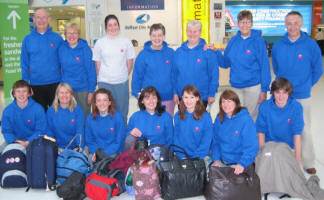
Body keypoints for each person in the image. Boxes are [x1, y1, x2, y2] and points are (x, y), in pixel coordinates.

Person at [271, 11, 323, 174]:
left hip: (302, 95)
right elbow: (277, 69)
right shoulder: (278, 46)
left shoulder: (311, 45)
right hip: (282, 96)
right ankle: (285, 158)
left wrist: (307, 85)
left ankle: (308, 161)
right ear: (285, 25)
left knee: (304, 127)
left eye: (295, 23)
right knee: (283, 127)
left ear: (301, 24)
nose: (292, 26)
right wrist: (282, 90)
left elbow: (318, 69)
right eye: (289, 23)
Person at [214, 10, 271, 121]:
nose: (244, 25)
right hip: (236, 86)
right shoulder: (233, 41)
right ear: (238, 24)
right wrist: (216, 52)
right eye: (242, 22)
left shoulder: (258, 41)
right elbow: (225, 63)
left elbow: (265, 67)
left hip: (253, 87)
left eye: (247, 22)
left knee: (251, 117)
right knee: (235, 115)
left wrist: (264, 90)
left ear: (251, 24)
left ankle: (250, 138)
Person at [93, 15, 135, 123]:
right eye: (110, 25)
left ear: (119, 26)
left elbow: (130, 62)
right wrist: (106, 75)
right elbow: (98, 64)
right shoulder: (100, 43)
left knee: (122, 112)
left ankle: (121, 137)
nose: (113, 27)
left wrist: (123, 74)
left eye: (115, 24)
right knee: (104, 111)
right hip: (105, 82)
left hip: (121, 83)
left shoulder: (126, 42)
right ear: (106, 27)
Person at [21, 8, 63, 111]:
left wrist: (63, 83)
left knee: (56, 114)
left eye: (44, 17)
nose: (41, 20)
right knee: (39, 116)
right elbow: (24, 63)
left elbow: (63, 61)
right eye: (38, 18)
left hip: (55, 84)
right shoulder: (27, 39)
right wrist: (26, 84)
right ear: (33, 20)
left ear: (48, 19)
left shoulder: (57, 38)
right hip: (35, 85)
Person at [173, 20, 219, 108]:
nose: (192, 34)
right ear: (186, 32)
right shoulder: (178, 52)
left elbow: (214, 74)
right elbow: (174, 75)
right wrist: (175, 92)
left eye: (195, 31)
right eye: (190, 31)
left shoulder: (208, 52)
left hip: (202, 97)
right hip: (183, 97)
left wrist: (212, 93)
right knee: (184, 121)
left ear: (200, 32)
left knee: (200, 121)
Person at [132, 23, 175, 116]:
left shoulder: (171, 53)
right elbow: (137, 76)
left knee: (166, 125)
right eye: (154, 35)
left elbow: (175, 75)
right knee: (149, 127)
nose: (157, 38)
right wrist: (137, 92)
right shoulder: (143, 55)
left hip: (168, 98)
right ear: (150, 37)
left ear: (164, 37)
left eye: (160, 35)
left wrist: (175, 93)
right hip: (149, 99)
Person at [211, 90, 259, 175]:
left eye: (229, 101)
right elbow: (216, 142)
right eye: (223, 102)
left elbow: (251, 147)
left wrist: (242, 163)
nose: (226, 105)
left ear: (236, 103)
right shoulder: (219, 119)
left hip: (239, 163)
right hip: (222, 161)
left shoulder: (246, 120)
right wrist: (216, 159)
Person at [257, 78, 303, 163]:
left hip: (288, 147)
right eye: (278, 92)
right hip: (269, 146)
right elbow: (261, 132)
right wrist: (261, 156)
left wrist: (297, 162)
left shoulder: (296, 107)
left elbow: (297, 136)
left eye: (284, 92)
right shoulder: (264, 107)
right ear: (273, 93)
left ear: (289, 93)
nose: (281, 97)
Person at [58, 22, 97, 118]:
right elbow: (59, 69)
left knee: (83, 117)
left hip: (83, 90)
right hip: (67, 90)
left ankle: (83, 133)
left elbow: (91, 71)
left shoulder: (85, 49)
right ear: (65, 35)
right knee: (68, 116)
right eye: (69, 33)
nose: (71, 36)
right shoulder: (61, 48)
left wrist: (91, 91)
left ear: (79, 35)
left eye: (74, 33)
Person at [1, 80, 46, 148]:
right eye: (18, 91)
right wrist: (14, 142)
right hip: (14, 141)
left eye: (24, 91)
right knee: (4, 154)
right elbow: (6, 131)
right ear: (14, 94)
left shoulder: (38, 109)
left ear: (29, 94)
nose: (21, 94)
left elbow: (41, 130)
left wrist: (28, 142)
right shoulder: (7, 111)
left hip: (34, 141)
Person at [173, 85, 213, 159]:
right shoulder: (178, 115)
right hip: (182, 156)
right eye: (186, 97)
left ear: (197, 98)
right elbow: (176, 138)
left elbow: (206, 142)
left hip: (200, 156)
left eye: (192, 97)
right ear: (182, 98)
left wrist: (196, 157)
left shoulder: (206, 117)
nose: (188, 101)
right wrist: (182, 156)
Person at [85, 88, 125, 161]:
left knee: (107, 165)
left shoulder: (118, 117)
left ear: (109, 102)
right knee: (90, 160)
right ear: (95, 103)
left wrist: (103, 154)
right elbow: (89, 140)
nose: (102, 103)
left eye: (105, 100)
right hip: (96, 152)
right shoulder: (90, 118)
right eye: (99, 100)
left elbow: (118, 142)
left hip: (113, 152)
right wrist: (97, 153)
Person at [46, 83, 85, 150]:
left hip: (74, 148)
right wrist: (53, 148)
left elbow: (80, 132)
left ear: (71, 95)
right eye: (61, 93)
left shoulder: (78, 110)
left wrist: (79, 149)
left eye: (67, 92)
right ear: (57, 95)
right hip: (56, 148)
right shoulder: (51, 111)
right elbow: (49, 132)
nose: (64, 95)